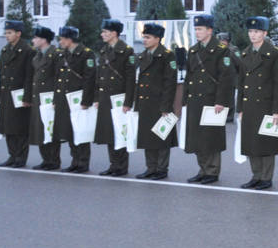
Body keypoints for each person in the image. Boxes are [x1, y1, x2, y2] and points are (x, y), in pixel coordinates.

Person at [184, 15, 234, 184]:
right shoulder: (193, 50)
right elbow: (189, 76)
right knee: (197, 137)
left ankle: (212, 171)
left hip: (212, 100)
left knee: (210, 137)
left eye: (200, 29)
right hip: (195, 99)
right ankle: (203, 169)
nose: (197, 32)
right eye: (196, 29)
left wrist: (221, 101)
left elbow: (226, 78)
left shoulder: (221, 50)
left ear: (209, 30)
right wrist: (185, 99)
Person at [237, 16, 278, 190]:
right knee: (251, 142)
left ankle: (266, 177)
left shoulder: (274, 53)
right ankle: (256, 175)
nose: (252, 34)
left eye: (256, 31)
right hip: (249, 104)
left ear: (264, 33)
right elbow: (241, 83)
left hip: (266, 104)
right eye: (250, 31)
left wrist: (277, 110)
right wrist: (240, 108)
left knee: (266, 142)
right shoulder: (245, 53)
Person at [130, 23, 178, 180]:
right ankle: (151, 168)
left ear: (157, 39)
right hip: (145, 103)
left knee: (161, 137)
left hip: (159, 103)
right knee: (147, 137)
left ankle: (162, 169)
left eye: (148, 37)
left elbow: (170, 83)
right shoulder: (143, 55)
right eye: (144, 37)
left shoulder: (167, 56)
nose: (144, 40)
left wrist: (166, 106)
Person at [94, 19, 136, 176]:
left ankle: (121, 166)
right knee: (109, 132)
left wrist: (128, 102)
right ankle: (113, 164)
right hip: (105, 98)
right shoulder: (104, 50)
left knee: (120, 131)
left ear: (114, 33)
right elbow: (99, 77)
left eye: (105, 32)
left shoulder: (126, 51)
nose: (102, 34)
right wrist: (97, 98)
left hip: (119, 98)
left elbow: (130, 79)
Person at [53, 26, 96, 173]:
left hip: (78, 99)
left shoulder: (86, 54)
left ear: (69, 39)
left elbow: (90, 78)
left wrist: (86, 101)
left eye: (62, 39)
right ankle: (75, 161)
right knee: (69, 131)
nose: (60, 42)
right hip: (65, 98)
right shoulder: (63, 54)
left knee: (80, 130)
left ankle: (83, 163)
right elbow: (59, 78)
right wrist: (56, 99)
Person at [0, 20, 33, 168]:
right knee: (8, 127)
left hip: (19, 94)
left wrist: (27, 97)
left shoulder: (27, 51)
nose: (7, 35)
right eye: (6, 33)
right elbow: (1, 75)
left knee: (20, 128)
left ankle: (21, 158)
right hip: (6, 94)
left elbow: (29, 76)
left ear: (18, 33)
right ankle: (12, 155)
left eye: (9, 33)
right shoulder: (5, 50)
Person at [28, 27, 62, 171]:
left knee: (50, 128)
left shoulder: (55, 54)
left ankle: (54, 160)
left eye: (35, 38)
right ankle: (46, 159)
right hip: (38, 97)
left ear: (43, 40)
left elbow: (59, 78)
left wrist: (56, 98)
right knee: (40, 129)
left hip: (49, 97)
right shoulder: (38, 55)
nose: (33, 40)